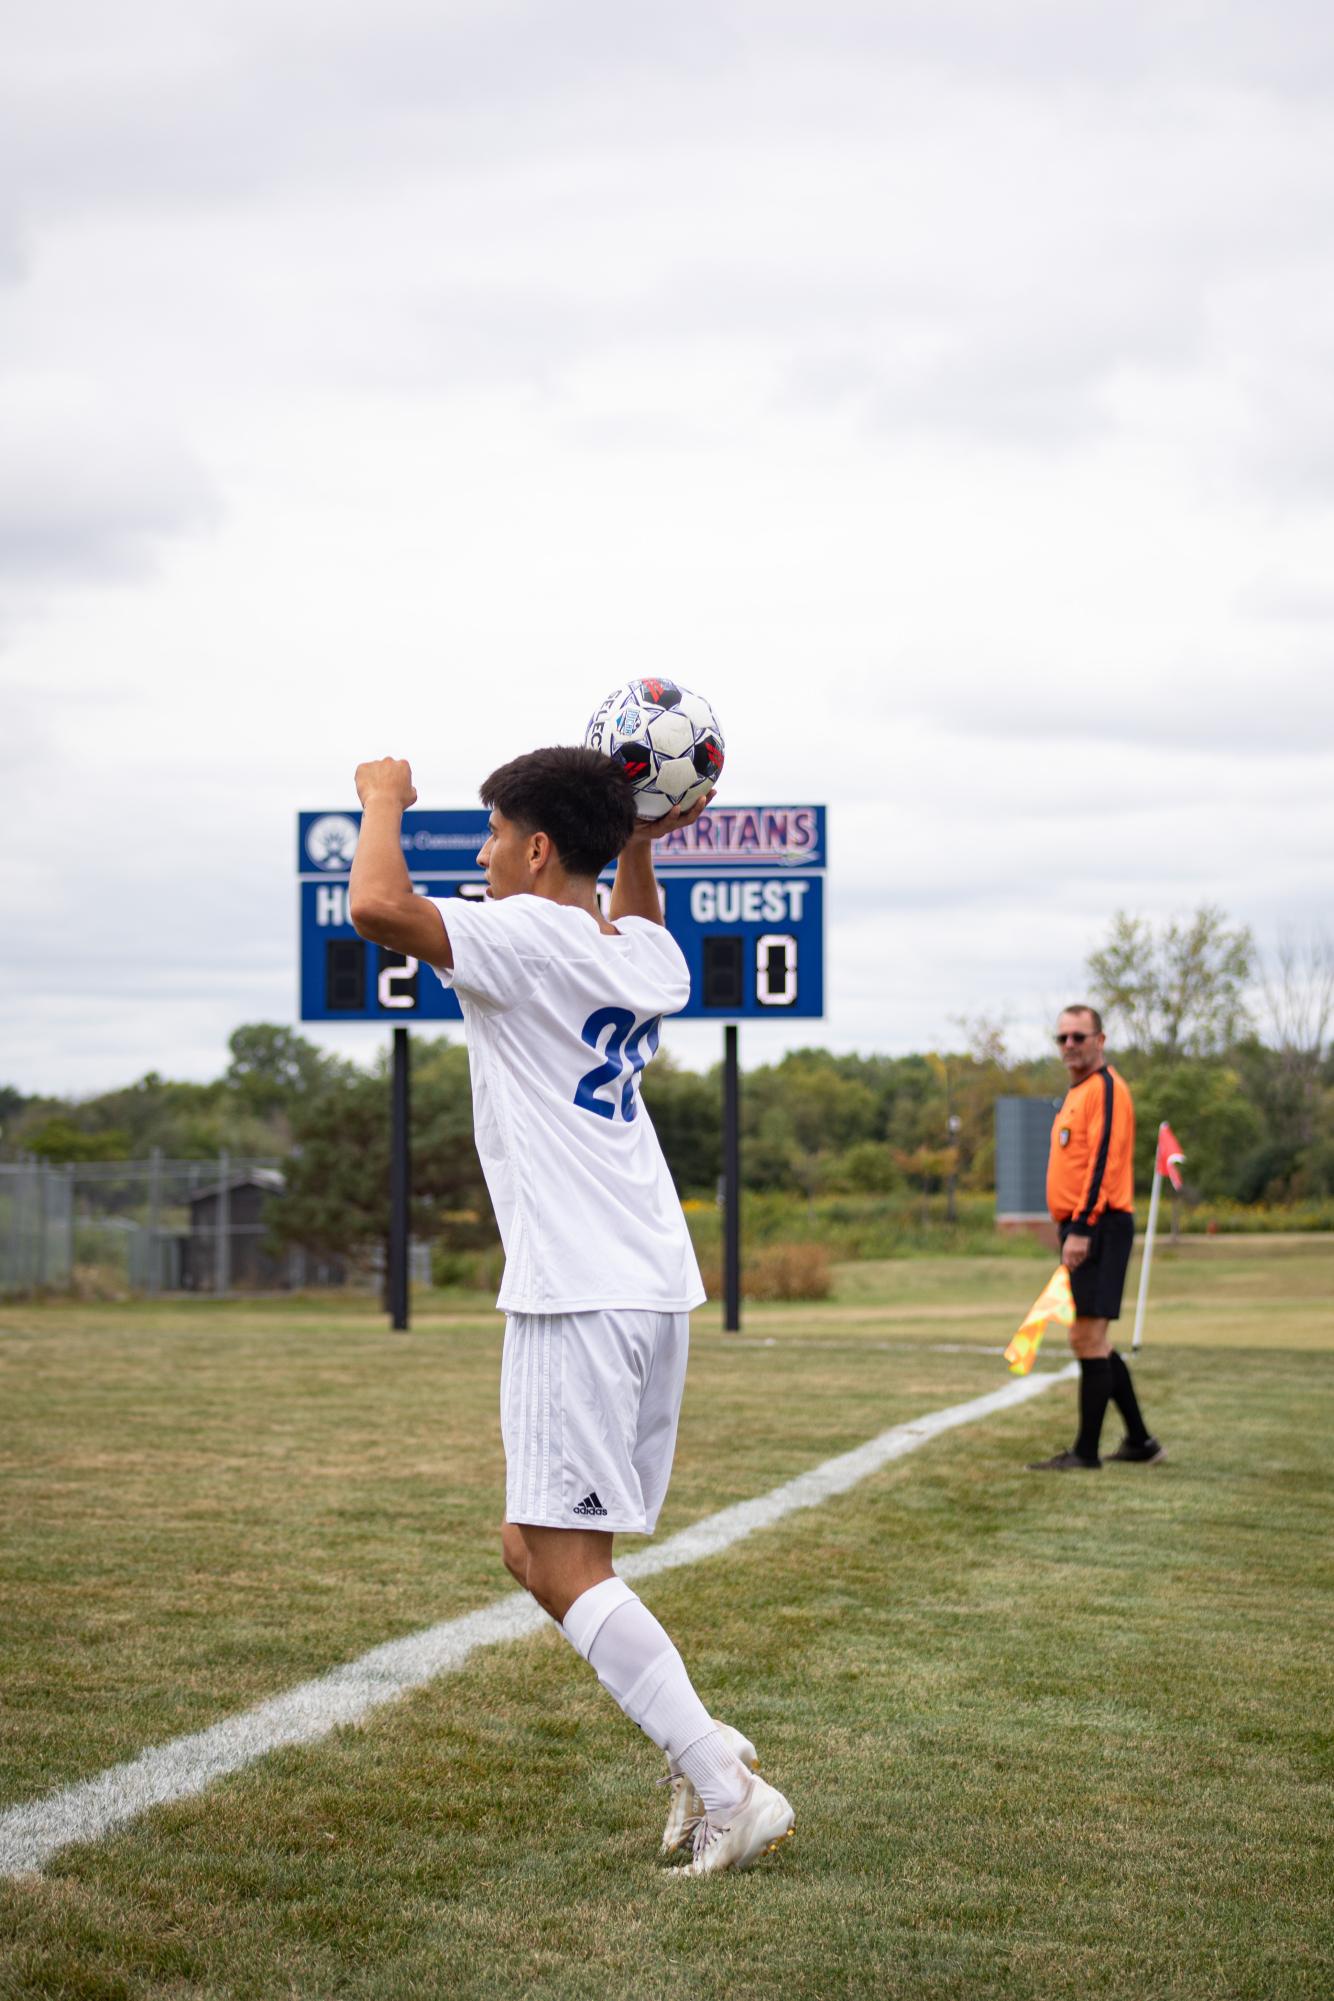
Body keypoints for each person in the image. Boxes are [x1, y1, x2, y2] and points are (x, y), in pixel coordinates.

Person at [347, 745, 795, 1875]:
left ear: (539, 848)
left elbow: (376, 907)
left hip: (579, 1286)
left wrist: (382, 800)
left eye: (492, 834)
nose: (484, 855)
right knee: (530, 1545)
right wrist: (639, 843)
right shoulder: (635, 950)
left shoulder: (522, 931)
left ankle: (717, 1775)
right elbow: (635, 920)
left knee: (560, 1566)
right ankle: (708, 1745)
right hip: (646, 1280)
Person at [1027, 1004, 1165, 1472]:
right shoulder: (1077, 1092)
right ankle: (1140, 1441)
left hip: (1100, 1223)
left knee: (1086, 1336)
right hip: (1085, 1223)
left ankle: (1085, 1453)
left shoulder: (1104, 1088)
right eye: (1062, 1038)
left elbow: (1103, 1161)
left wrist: (1083, 1226)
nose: (1069, 1045)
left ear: (1100, 1041)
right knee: (1093, 1338)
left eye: (1078, 1037)